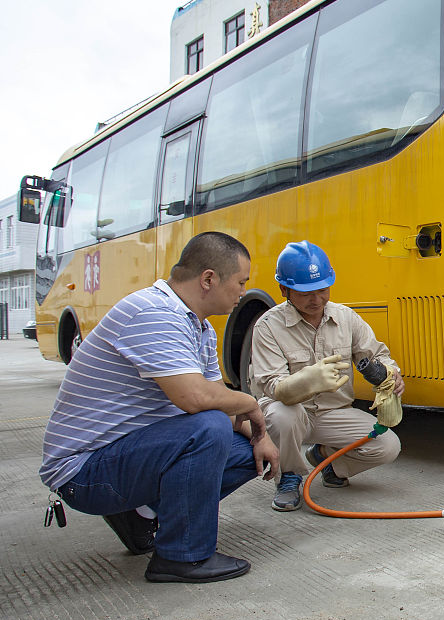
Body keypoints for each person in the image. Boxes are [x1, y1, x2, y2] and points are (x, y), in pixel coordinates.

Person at [40, 232, 279, 584]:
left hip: (122, 456)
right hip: (83, 472)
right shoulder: (153, 312)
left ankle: (140, 514)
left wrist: (262, 437)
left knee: (247, 453)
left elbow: (219, 401)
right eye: (240, 283)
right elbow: (195, 399)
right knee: (208, 426)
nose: (242, 292)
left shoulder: (198, 326)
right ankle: (183, 557)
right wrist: (251, 405)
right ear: (209, 279)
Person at [251, 240, 403, 512]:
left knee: (387, 445)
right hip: (291, 411)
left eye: (322, 289)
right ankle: (289, 476)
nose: (316, 299)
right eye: (306, 293)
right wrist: (309, 381)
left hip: (333, 413)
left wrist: (390, 374)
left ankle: (328, 461)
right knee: (284, 416)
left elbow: (378, 354)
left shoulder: (346, 318)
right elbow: (272, 386)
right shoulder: (267, 326)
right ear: (284, 289)